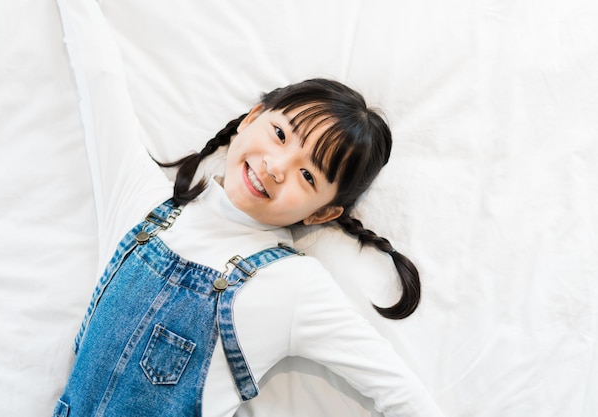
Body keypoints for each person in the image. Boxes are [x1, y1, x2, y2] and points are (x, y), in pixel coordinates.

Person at [54, 2, 445, 417]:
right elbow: (99, 76)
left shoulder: (294, 286)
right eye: (280, 134)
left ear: (321, 215)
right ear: (252, 117)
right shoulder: (140, 199)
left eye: (308, 176)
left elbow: (401, 393)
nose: (276, 168)